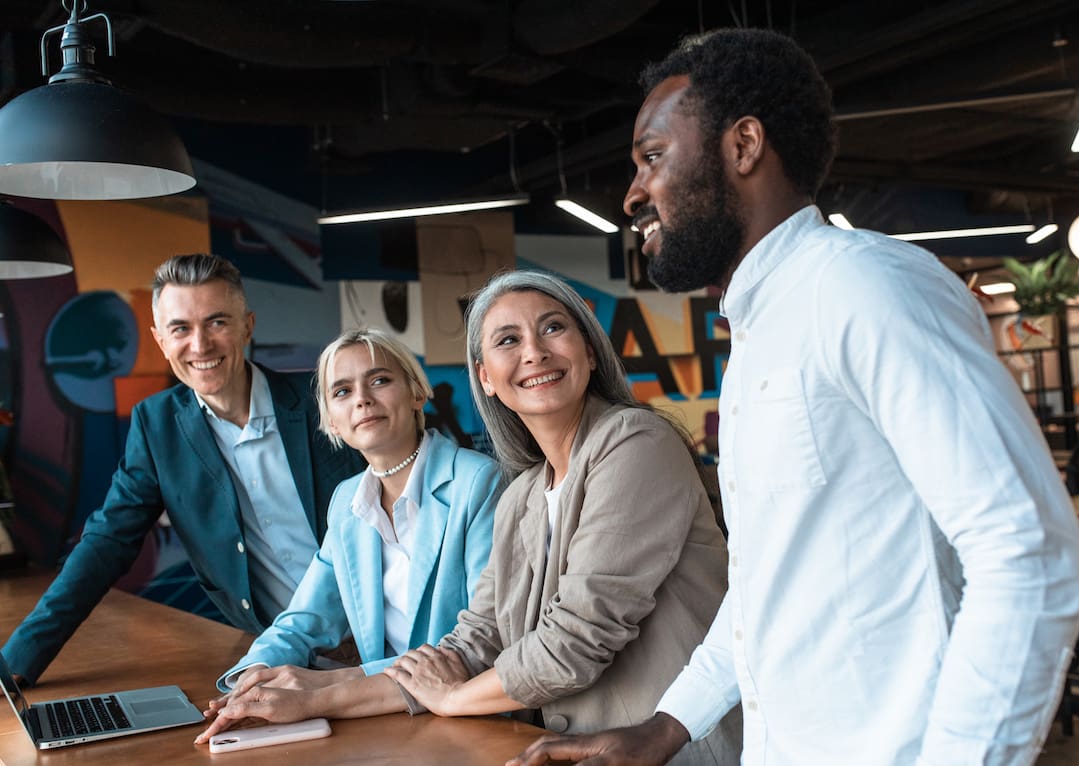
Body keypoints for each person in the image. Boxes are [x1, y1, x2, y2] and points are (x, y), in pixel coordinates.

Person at [510, 28, 1079, 766]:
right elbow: (769, 589)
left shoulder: (862, 288)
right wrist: (664, 729)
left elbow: (1029, 554)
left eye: (652, 157)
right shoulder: (760, 329)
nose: (633, 194)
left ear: (743, 145)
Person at [197, 270, 740, 765]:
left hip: (679, 752)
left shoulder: (635, 442)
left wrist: (448, 696)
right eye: (508, 340)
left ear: (591, 352)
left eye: (553, 329)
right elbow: (474, 641)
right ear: (485, 377)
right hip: (556, 749)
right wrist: (312, 698)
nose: (534, 352)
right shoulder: (524, 494)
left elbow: (572, 641)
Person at [2, 253, 363, 687]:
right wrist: (17, 660)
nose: (200, 345)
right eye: (181, 329)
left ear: (247, 326)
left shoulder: (321, 399)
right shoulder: (157, 427)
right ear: (160, 340)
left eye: (217, 322)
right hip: (283, 659)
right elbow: (107, 542)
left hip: (385, 634)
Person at [209, 328, 502, 696]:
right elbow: (303, 620)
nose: (362, 400)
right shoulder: (347, 503)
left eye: (379, 380)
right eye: (342, 392)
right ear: (332, 420)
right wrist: (251, 677)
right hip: (384, 716)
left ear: (416, 392)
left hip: (464, 710)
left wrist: (334, 682)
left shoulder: (477, 481)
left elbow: (483, 641)